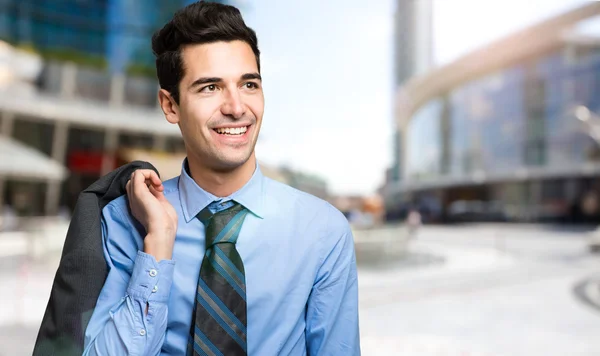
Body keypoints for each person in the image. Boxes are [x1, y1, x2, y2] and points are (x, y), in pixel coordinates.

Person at [82, 2, 360, 355]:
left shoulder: (323, 231)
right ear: (171, 106)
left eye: (248, 84)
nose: (236, 106)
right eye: (210, 87)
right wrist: (158, 244)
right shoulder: (124, 220)